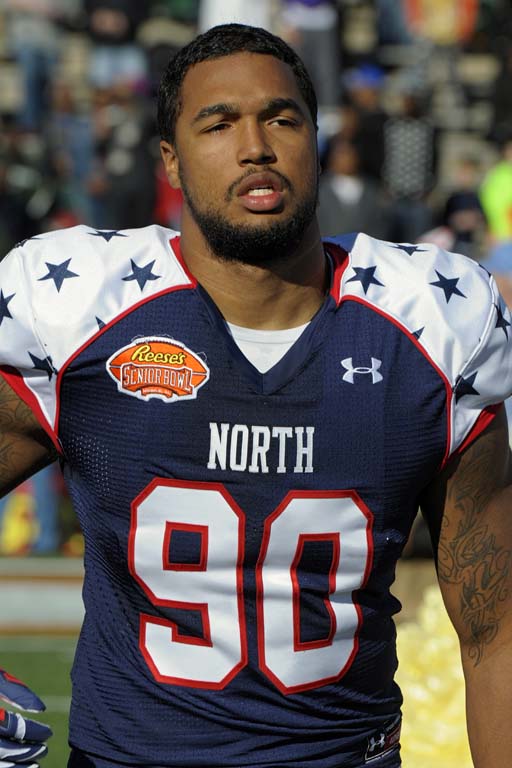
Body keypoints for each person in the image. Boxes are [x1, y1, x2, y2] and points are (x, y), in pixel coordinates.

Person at [0, 22, 511, 768]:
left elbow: (494, 627)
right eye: (219, 123)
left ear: (314, 136)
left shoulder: (430, 327)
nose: (255, 147)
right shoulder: (88, 315)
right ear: (170, 162)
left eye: (281, 118)